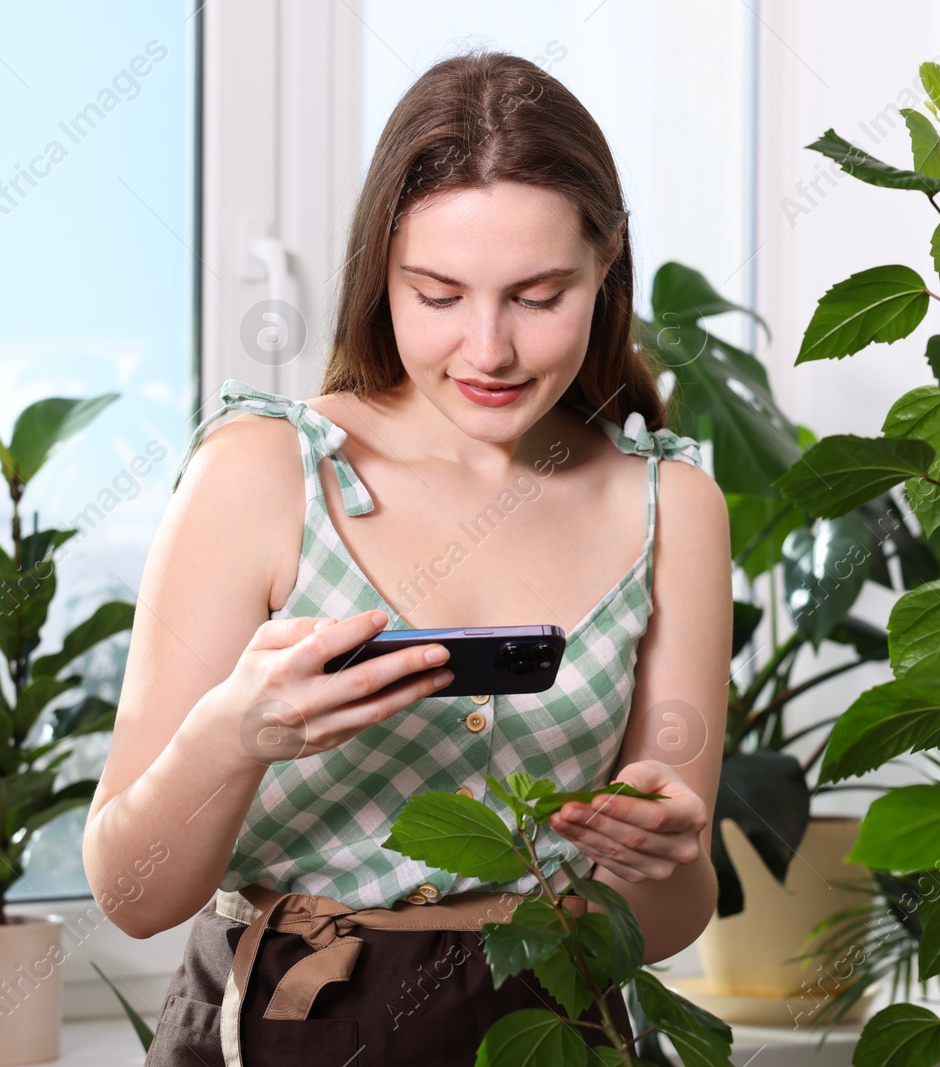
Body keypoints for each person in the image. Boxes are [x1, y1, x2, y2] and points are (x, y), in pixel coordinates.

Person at [83, 48, 732, 1067]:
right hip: (283, 1030)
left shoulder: (672, 504)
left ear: (606, 267)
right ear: (378, 275)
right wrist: (234, 732)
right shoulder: (261, 471)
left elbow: (666, 917)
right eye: (437, 294)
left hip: (549, 1034)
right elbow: (132, 892)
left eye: (538, 293)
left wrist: (659, 852)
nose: (488, 349)